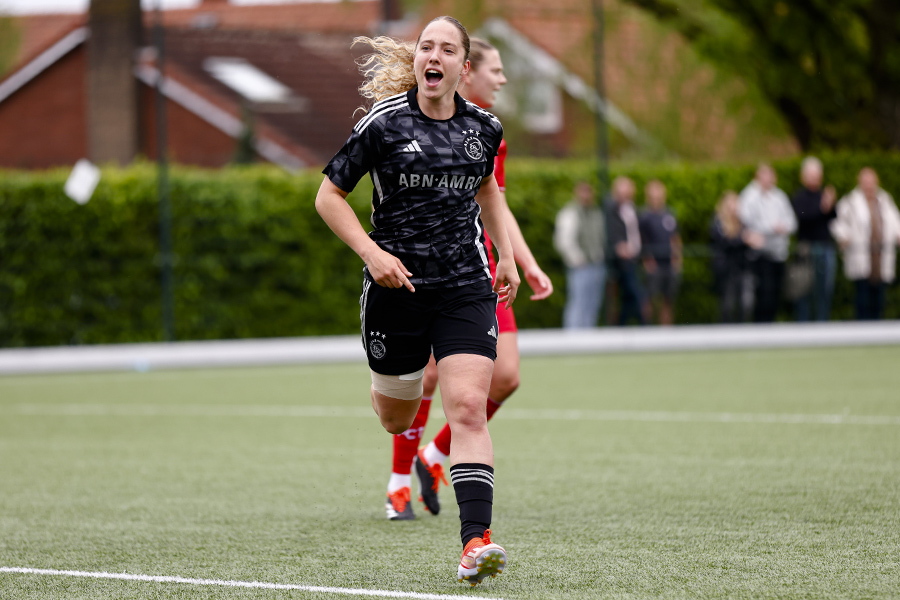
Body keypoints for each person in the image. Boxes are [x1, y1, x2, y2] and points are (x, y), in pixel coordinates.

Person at [314, 17, 518, 585]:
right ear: (418, 60)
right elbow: (328, 196)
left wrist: (504, 255)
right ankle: (389, 396)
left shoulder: (484, 128)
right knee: (395, 417)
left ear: (462, 68)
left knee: (468, 407)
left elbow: (488, 189)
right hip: (395, 289)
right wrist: (371, 254)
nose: (434, 56)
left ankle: (475, 542)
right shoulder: (383, 124)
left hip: (465, 285)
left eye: (447, 49)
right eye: (426, 46)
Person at [385, 38, 553, 523]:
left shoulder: (490, 133)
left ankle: (436, 455)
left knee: (507, 376)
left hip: (482, 270)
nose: (502, 79)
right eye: (496, 70)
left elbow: (495, 202)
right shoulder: (414, 124)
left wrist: (524, 261)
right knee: (428, 377)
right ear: (470, 72)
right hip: (434, 270)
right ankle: (398, 485)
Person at [830, 168, 900, 320]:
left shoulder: (885, 199)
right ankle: (862, 328)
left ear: (876, 182)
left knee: (879, 298)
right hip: (861, 255)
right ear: (860, 182)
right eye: (865, 182)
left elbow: (896, 220)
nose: (869, 185)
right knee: (862, 298)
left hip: (881, 256)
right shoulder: (850, 201)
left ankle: (877, 329)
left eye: (871, 181)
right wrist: (844, 237)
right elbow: (837, 223)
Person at [738, 163, 797, 323]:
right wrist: (772, 228)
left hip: (779, 254)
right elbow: (747, 222)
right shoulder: (749, 196)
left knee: (775, 293)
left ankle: (770, 326)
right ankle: (760, 327)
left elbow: (792, 222)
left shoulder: (779, 196)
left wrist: (781, 228)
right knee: (763, 293)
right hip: (760, 255)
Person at [790, 157, 838, 321]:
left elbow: (833, 217)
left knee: (824, 290)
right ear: (803, 177)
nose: (814, 178)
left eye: (817, 175)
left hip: (825, 248)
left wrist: (830, 205)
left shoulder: (823, 195)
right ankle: (803, 326)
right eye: (811, 175)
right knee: (803, 290)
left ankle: (822, 323)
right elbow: (803, 217)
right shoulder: (799, 197)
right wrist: (823, 207)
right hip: (807, 249)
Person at [554, 180, 605, 328]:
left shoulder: (596, 212)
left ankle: (588, 334)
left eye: (588, 191)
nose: (586, 195)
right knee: (578, 301)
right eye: (583, 191)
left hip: (596, 264)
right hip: (580, 266)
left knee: (593, 303)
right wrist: (577, 259)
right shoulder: (570, 213)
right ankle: (573, 334)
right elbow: (563, 240)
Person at [709, 191, 759, 323]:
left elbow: (749, 239)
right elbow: (725, 242)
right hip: (726, 270)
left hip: (743, 267)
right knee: (727, 304)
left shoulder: (742, 222)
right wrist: (743, 239)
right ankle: (726, 329)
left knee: (746, 303)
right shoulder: (718, 223)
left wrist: (752, 240)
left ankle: (741, 328)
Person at [639, 180, 682, 325]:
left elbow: (675, 238)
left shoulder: (669, 213)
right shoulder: (644, 215)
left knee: (668, 299)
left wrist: (677, 259)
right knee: (649, 298)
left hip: (668, 263)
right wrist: (647, 260)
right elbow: (641, 240)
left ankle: (666, 331)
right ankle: (647, 328)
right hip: (653, 264)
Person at [605, 176, 645, 325]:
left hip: (635, 257)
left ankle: (621, 324)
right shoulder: (611, 208)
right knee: (634, 292)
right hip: (620, 260)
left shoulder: (632, 208)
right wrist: (618, 246)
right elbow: (611, 231)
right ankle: (644, 324)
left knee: (629, 296)